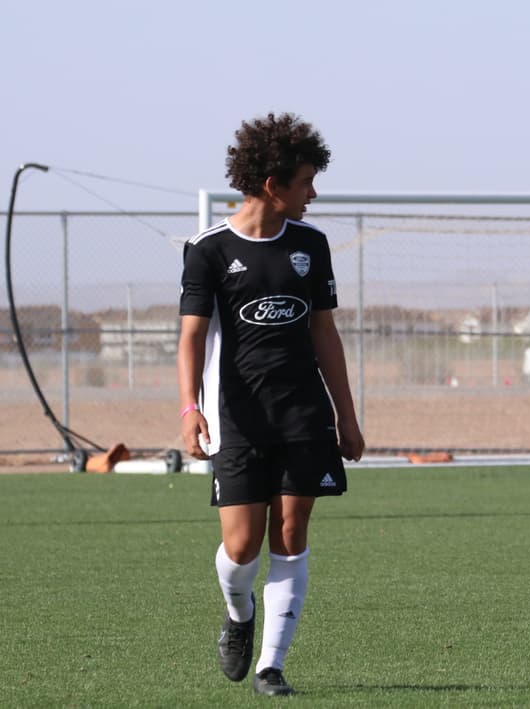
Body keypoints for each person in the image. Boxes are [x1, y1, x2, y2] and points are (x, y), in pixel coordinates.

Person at [178, 112, 364, 696]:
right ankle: (239, 616)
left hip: (303, 413)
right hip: (236, 416)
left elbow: (324, 334)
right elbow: (189, 337)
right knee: (241, 544)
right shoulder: (208, 250)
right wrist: (190, 408)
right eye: (306, 181)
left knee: (291, 528)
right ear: (271, 184)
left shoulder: (312, 245)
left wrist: (347, 415)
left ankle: (271, 666)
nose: (314, 193)